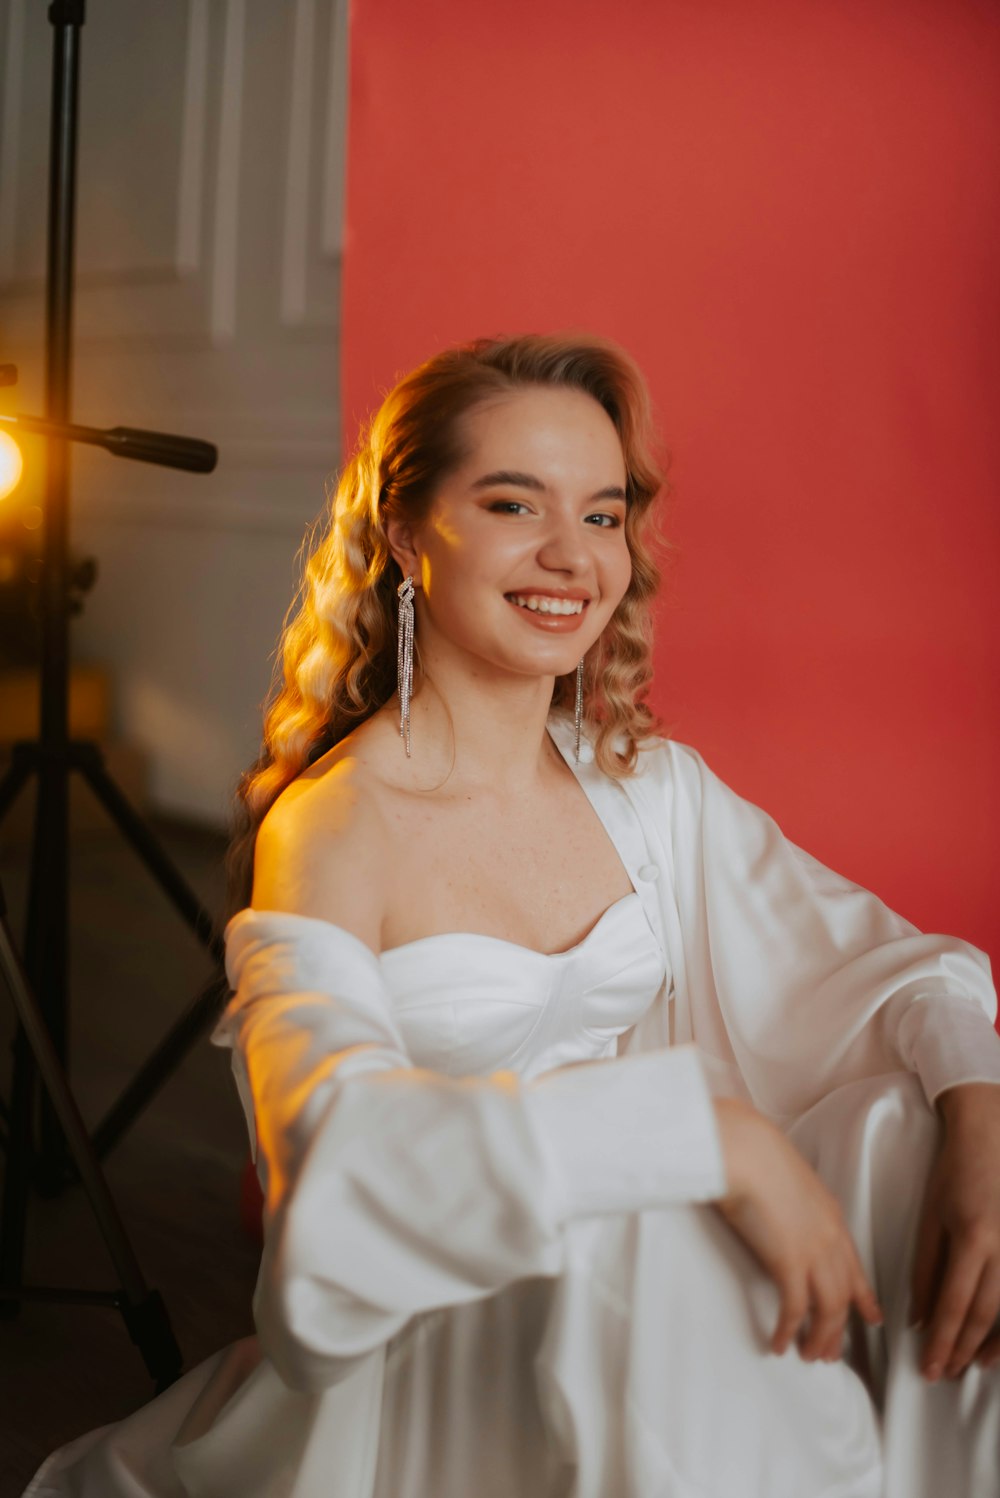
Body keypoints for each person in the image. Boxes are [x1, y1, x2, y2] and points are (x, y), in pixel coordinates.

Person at [23, 332, 1000, 1498]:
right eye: (510, 502)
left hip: (671, 1273)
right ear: (402, 529)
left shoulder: (648, 790)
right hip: (462, 1314)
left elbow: (888, 968)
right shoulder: (334, 828)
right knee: (634, 1229)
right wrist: (697, 1133)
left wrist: (978, 1121)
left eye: (602, 514)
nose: (570, 556)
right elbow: (332, 1172)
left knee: (917, 1126)